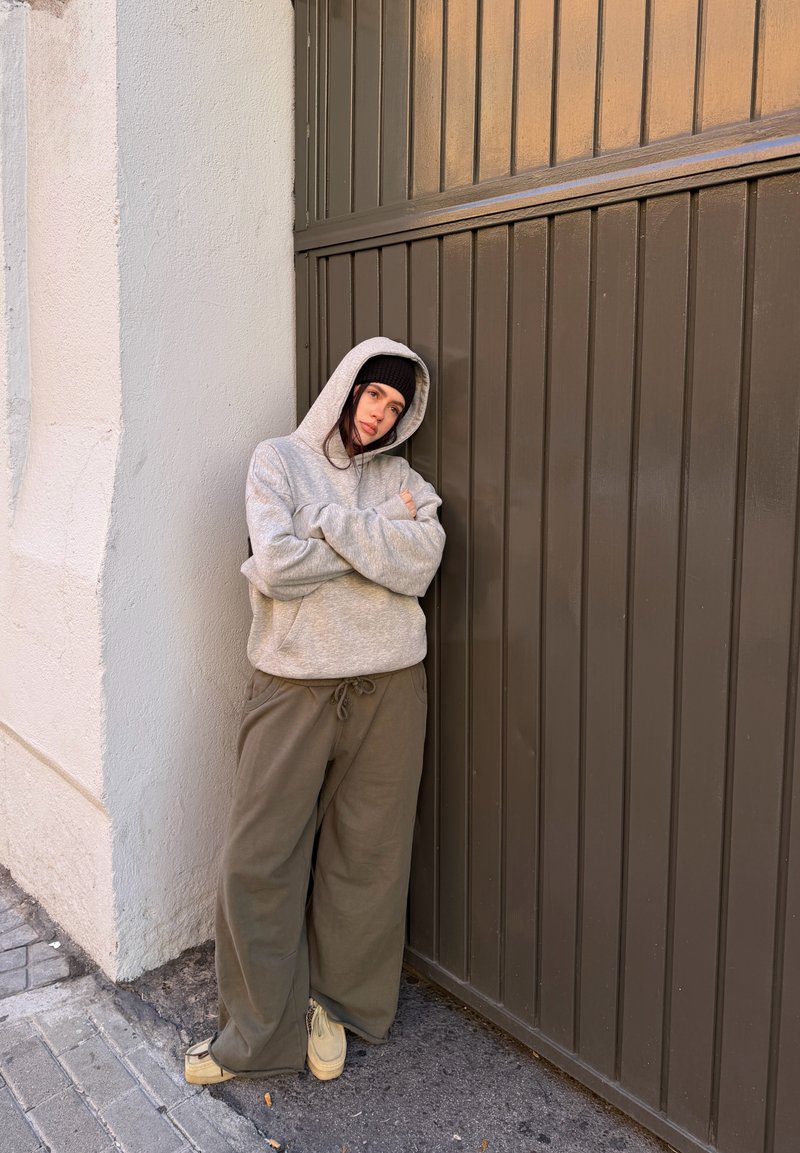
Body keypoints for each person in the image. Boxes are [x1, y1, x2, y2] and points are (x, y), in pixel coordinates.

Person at [184, 336, 445, 1085]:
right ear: (347, 388)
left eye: (396, 406)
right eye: (374, 395)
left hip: (391, 686)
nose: (381, 414)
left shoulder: (404, 479)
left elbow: (421, 562)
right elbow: (276, 564)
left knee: (368, 858)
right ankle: (258, 1032)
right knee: (258, 857)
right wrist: (370, 537)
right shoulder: (277, 462)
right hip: (293, 683)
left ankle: (336, 1004)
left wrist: (323, 525)